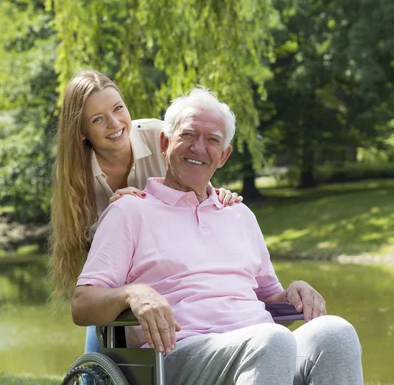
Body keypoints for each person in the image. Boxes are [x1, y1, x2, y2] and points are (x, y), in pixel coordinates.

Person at [71, 88, 363, 384]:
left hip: (262, 345)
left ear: (223, 156)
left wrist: (294, 292)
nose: (198, 148)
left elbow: (270, 298)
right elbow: (82, 305)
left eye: (212, 140)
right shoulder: (130, 211)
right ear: (164, 142)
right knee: (271, 340)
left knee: (336, 333)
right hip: (179, 353)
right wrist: (132, 293)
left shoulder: (239, 214)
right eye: (188, 135)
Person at [50, 70, 242, 354]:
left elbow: (195, 177)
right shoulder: (74, 176)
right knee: (99, 357)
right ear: (81, 131)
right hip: (122, 278)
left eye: (118, 108)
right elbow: (92, 252)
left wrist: (217, 196)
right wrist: (119, 214)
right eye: (97, 119)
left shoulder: (157, 135)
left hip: (173, 267)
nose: (115, 124)